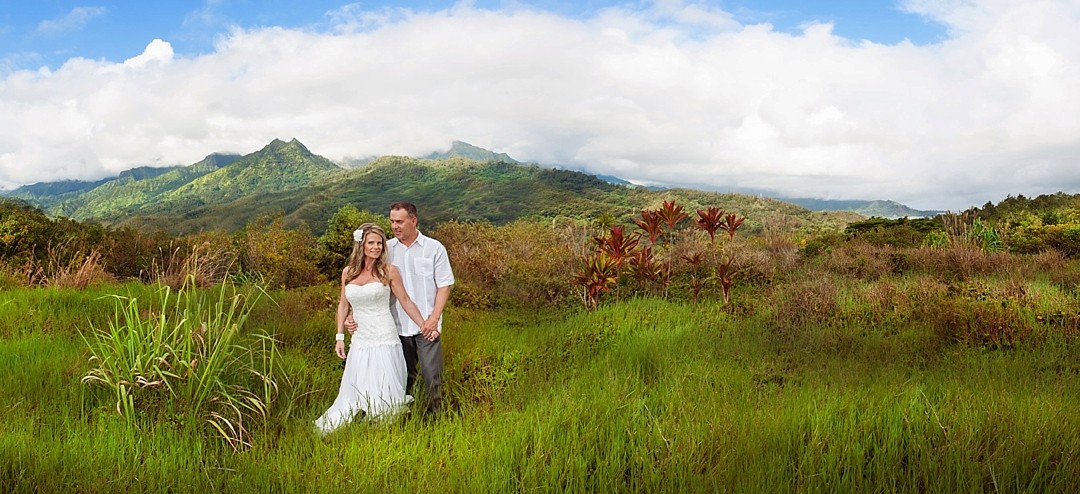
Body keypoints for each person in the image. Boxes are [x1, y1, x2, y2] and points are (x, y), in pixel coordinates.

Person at [314, 223, 428, 434]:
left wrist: (424, 324)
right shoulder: (348, 272)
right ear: (361, 245)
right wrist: (340, 335)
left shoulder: (389, 271)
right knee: (358, 384)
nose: (376, 247)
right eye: (371, 243)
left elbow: (405, 300)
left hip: (384, 335)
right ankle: (361, 415)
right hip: (360, 337)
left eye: (379, 243)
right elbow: (343, 304)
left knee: (383, 384)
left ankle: (382, 422)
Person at [346, 201, 454, 416]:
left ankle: (435, 417)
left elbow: (445, 286)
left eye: (400, 221)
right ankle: (403, 415)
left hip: (426, 325)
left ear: (413, 220)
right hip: (394, 325)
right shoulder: (385, 250)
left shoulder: (434, 248)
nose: (394, 226)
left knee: (432, 374)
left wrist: (433, 319)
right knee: (401, 376)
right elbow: (364, 285)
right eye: (392, 221)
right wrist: (352, 314)